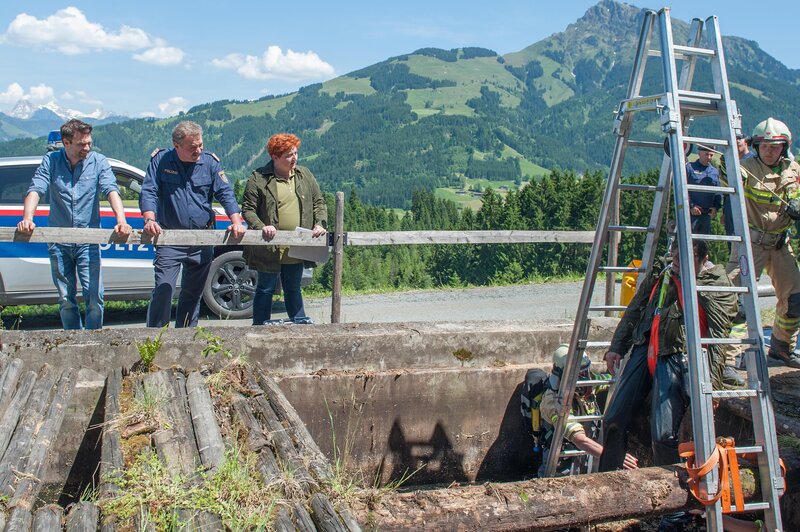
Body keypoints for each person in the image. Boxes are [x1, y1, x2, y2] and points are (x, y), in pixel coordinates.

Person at [598, 239, 737, 532]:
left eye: (683, 258)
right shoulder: (661, 273)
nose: (676, 261)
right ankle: (604, 495)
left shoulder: (714, 283)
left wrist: (712, 383)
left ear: (702, 259)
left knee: (663, 435)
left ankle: (675, 511)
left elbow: (718, 335)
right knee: (612, 419)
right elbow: (635, 309)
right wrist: (616, 347)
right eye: (673, 255)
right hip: (646, 345)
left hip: (675, 355)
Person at [16, 119, 131, 330]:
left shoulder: (98, 161)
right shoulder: (51, 161)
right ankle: (72, 340)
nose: (87, 148)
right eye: (81, 144)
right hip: (59, 242)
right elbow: (36, 189)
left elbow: (110, 190)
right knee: (65, 299)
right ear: (66, 143)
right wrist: (27, 218)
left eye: (89, 143)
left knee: (95, 297)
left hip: (88, 241)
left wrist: (121, 221)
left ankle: (93, 342)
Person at [140, 121, 246, 328]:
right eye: (192, 147)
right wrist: (150, 219)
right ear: (176, 145)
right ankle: (154, 339)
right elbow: (149, 191)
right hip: (169, 238)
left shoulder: (209, 162)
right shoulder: (161, 160)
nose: (198, 150)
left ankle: (186, 338)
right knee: (164, 289)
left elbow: (225, 193)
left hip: (201, 238)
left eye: (200, 145)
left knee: (192, 294)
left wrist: (236, 221)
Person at [727, 118, 800, 369]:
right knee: (735, 302)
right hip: (751, 243)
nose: (769, 151)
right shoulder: (744, 167)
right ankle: (728, 358)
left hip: (781, 243)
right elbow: (725, 174)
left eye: (775, 146)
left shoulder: (794, 169)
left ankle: (781, 348)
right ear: (756, 146)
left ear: (784, 147)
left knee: (795, 300)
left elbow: (797, 194)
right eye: (764, 146)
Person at [240, 133, 327, 324]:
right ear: (275, 156)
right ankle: (260, 327)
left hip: (296, 245)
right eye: (288, 155)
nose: (294, 158)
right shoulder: (259, 178)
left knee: (293, 287)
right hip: (268, 247)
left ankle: (299, 323)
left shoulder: (304, 175)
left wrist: (319, 223)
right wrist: (261, 227)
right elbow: (247, 209)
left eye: (295, 153)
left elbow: (319, 202)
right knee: (265, 288)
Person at [538, 344, 638, 477]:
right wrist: (614, 457)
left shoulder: (588, 384)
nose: (585, 378)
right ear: (563, 375)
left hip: (587, 453)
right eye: (579, 374)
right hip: (561, 460)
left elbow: (610, 381)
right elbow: (579, 439)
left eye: (585, 371)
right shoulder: (552, 401)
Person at [686, 145, 722, 235]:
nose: (709, 157)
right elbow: (682, 190)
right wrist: (691, 205)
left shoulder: (714, 172)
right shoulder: (689, 168)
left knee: (703, 244)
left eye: (711, 155)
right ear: (699, 153)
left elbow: (718, 191)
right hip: (691, 214)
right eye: (706, 154)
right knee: (689, 241)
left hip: (706, 215)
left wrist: (716, 207)